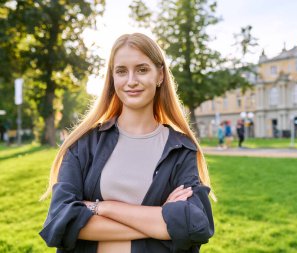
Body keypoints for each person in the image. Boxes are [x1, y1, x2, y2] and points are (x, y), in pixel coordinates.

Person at [39, 33, 214, 253]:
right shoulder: (84, 145)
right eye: (121, 71)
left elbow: (194, 225)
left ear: (160, 75)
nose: (131, 81)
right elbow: (61, 223)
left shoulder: (181, 149)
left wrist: (101, 207)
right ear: (112, 78)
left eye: (142, 69)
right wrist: (161, 219)